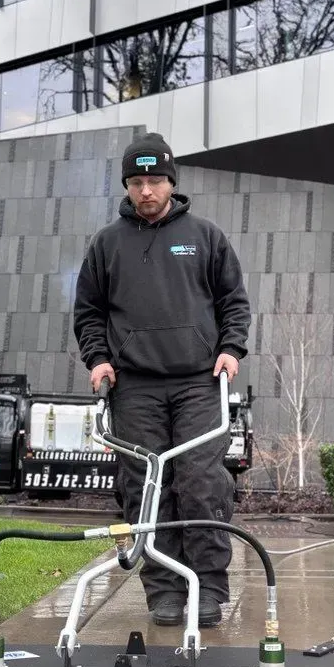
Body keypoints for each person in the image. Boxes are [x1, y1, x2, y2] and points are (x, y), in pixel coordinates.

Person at [73, 133, 251, 628]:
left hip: (198, 381)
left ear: (171, 182)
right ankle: (165, 591)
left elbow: (234, 302)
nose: (146, 190)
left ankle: (209, 589)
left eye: (155, 180)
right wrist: (99, 359)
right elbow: (89, 312)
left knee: (202, 483)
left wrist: (230, 349)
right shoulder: (107, 244)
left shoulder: (205, 237)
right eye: (137, 182)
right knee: (145, 488)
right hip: (135, 387)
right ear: (127, 186)